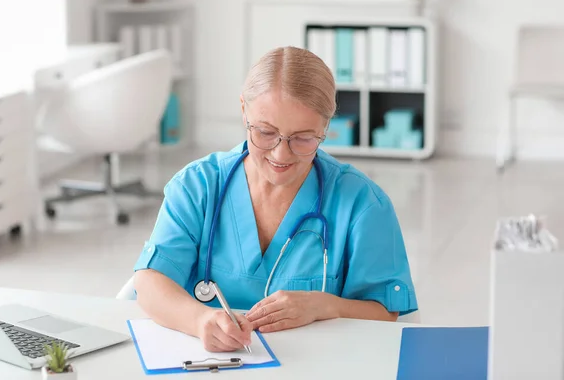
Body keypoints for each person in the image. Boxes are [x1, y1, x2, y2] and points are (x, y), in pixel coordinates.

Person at [133, 46, 418, 353]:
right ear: (244, 109)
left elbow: (385, 312)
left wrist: (324, 306)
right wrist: (199, 320)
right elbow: (149, 283)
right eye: (266, 133)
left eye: (303, 138)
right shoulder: (197, 186)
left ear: (326, 127)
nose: (281, 154)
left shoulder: (362, 204)